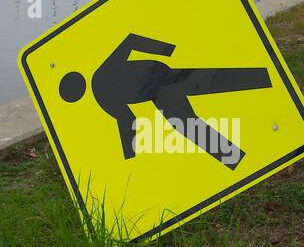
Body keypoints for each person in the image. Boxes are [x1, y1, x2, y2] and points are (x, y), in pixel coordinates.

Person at [59, 33, 271, 169]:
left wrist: (130, 157)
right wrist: (165, 50)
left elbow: (128, 121)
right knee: (211, 81)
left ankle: (235, 158)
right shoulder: (101, 70)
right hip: (159, 74)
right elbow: (131, 41)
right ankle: (266, 77)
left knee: (188, 123)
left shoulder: (104, 100)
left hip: (159, 90)